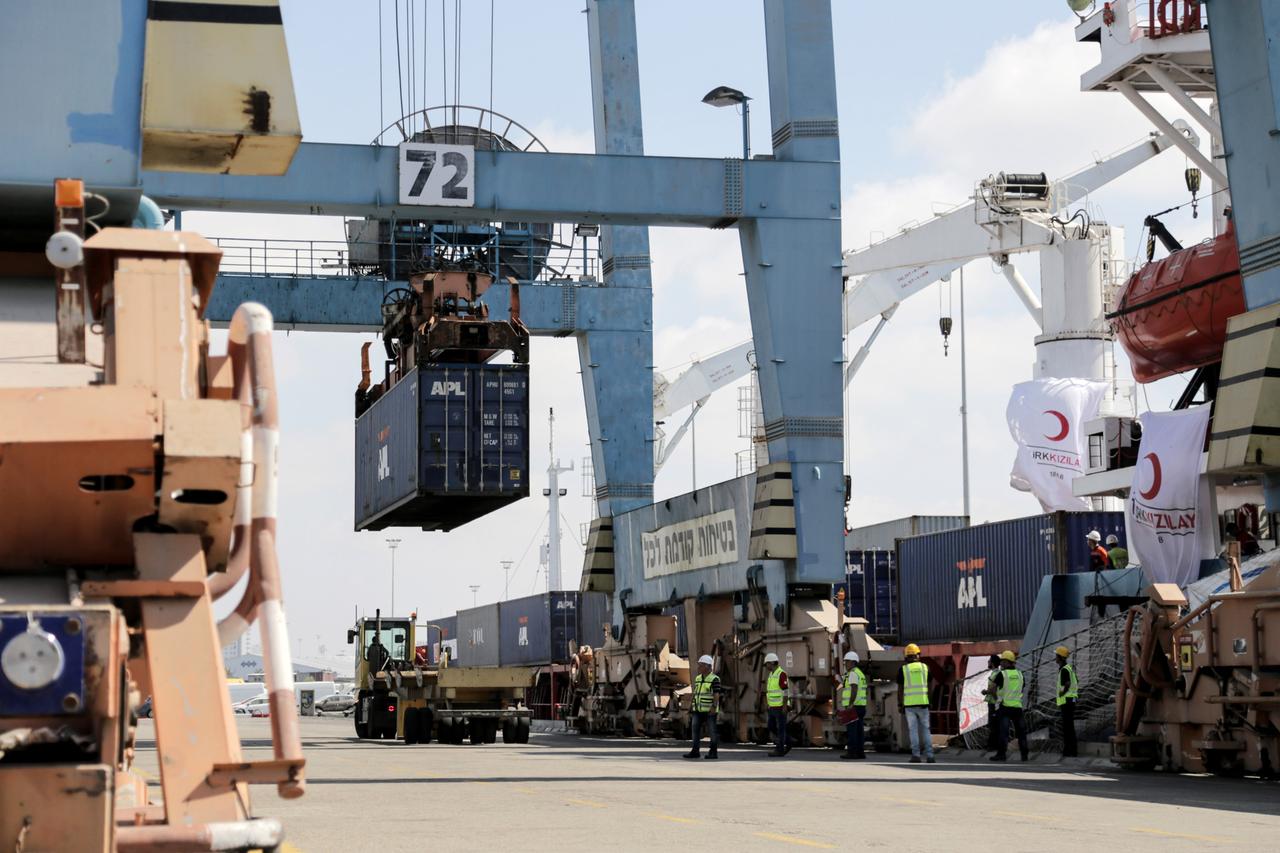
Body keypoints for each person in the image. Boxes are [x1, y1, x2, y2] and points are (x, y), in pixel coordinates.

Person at [989, 651, 1028, 762]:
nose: (1001, 664)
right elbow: (1022, 688)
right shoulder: (1020, 674)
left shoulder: (1002, 674)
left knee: (1004, 732)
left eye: (1002, 661)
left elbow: (992, 689)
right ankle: (1024, 755)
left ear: (1007, 662)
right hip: (1017, 707)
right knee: (1021, 732)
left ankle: (1001, 755)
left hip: (1004, 707)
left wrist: (997, 698)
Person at [898, 643, 934, 763]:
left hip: (909, 705)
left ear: (906, 656)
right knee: (926, 730)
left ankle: (916, 755)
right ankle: (930, 756)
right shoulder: (925, 667)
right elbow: (930, 685)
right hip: (924, 703)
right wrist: (930, 700)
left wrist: (900, 704)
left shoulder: (903, 669)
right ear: (918, 654)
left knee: (913, 730)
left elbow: (900, 689)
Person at [684, 654, 720, 760]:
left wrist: (714, 707)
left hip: (709, 710)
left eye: (701, 665)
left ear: (707, 666)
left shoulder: (715, 679)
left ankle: (713, 752)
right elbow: (696, 693)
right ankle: (695, 751)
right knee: (695, 731)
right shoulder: (698, 678)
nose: (699, 667)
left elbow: (716, 694)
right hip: (698, 710)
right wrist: (691, 706)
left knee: (712, 731)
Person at [837, 650, 868, 760]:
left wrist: (850, 704)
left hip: (853, 707)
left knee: (852, 731)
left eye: (847, 662)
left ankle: (852, 752)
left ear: (853, 662)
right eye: (845, 662)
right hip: (861, 706)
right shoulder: (859, 673)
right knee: (859, 731)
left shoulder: (853, 674)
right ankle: (860, 752)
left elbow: (854, 690)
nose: (845, 664)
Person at [763, 651, 790, 757]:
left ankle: (780, 749)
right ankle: (789, 742)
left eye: (767, 664)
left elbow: (785, 691)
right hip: (773, 707)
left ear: (772, 663)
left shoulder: (781, 674)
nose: (766, 666)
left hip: (780, 707)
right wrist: (767, 704)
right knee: (771, 726)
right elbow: (769, 691)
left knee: (781, 728)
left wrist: (784, 706)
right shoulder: (771, 674)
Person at [1055, 646, 1079, 758]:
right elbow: (1076, 681)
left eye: (1056, 655)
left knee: (1067, 727)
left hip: (1067, 701)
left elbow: (1067, 684)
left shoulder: (1064, 669)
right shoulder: (1069, 668)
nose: (1055, 657)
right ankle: (1072, 750)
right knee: (1070, 727)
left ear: (1060, 657)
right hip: (1071, 700)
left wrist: (1061, 693)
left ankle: (1069, 751)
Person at [981, 654, 1000, 749]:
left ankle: (992, 745)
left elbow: (993, 690)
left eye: (989, 660)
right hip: (993, 702)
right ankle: (992, 744)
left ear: (992, 663)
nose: (988, 662)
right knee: (993, 723)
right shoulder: (994, 673)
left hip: (994, 702)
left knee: (993, 724)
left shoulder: (996, 674)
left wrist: (986, 691)